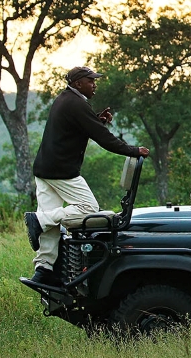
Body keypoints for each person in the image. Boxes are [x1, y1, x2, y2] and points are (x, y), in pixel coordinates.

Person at [24, 66, 149, 287]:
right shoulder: (76, 103)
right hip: (61, 171)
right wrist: (134, 150)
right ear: (78, 82)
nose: (95, 84)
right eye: (91, 81)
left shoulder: (67, 100)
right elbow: (104, 139)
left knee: (52, 220)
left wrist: (97, 121)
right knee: (89, 208)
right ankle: (38, 220)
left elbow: (85, 128)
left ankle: (42, 270)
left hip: (45, 169)